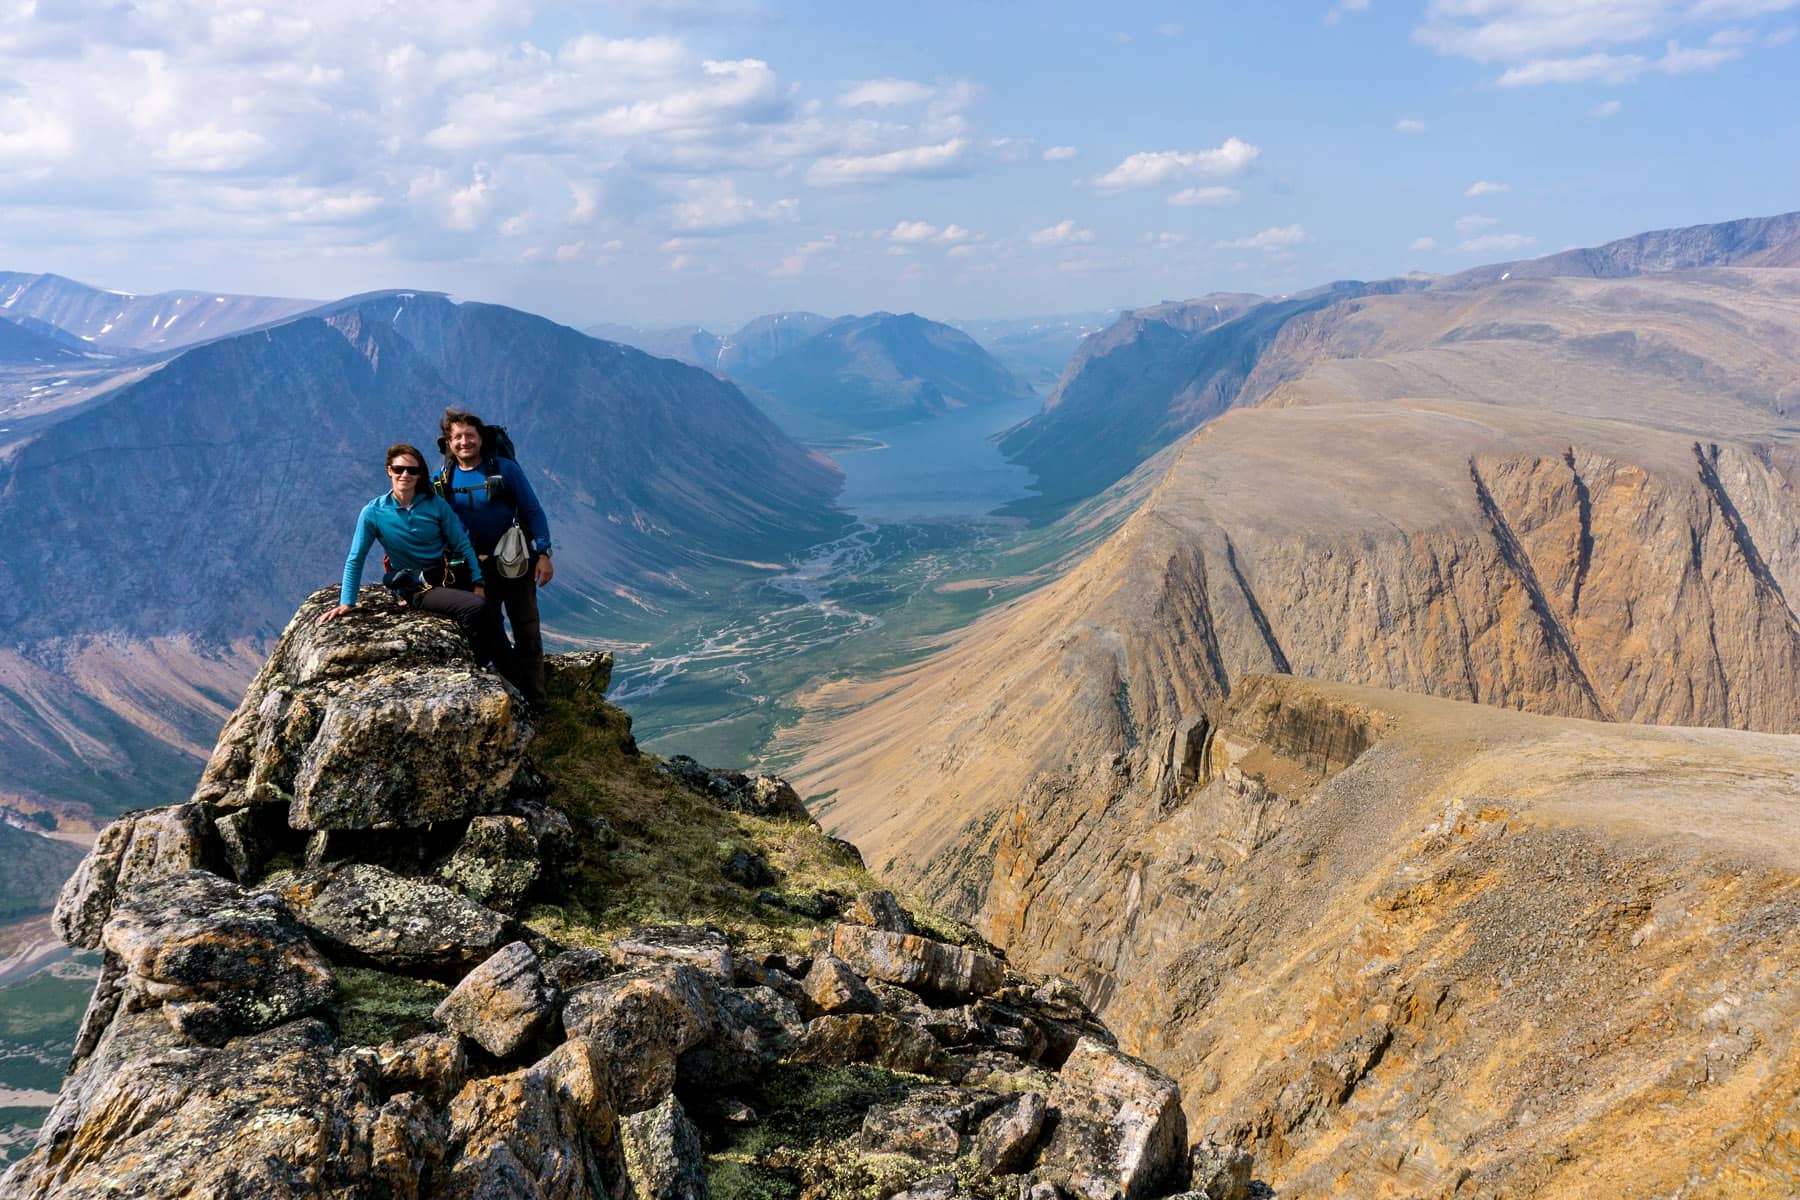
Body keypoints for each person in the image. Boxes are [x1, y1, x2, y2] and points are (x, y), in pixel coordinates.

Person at [320, 444, 498, 666]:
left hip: (447, 575)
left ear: (420, 474)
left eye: (412, 470)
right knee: (475, 607)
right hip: (418, 586)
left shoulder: (435, 505)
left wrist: (477, 581)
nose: (405, 475)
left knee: (490, 605)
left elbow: (461, 543)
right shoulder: (374, 512)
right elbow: (356, 558)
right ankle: (479, 665)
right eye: (399, 469)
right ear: (389, 470)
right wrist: (347, 602)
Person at [435, 408, 554, 706]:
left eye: (470, 436)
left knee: (526, 628)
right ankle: (513, 695)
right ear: (449, 443)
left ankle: (536, 702)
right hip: (473, 569)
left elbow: (533, 510)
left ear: (481, 439)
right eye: (458, 437)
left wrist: (543, 552)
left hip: (515, 563)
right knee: (490, 632)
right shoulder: (442, 480)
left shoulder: (505, 469)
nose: (465, 442)